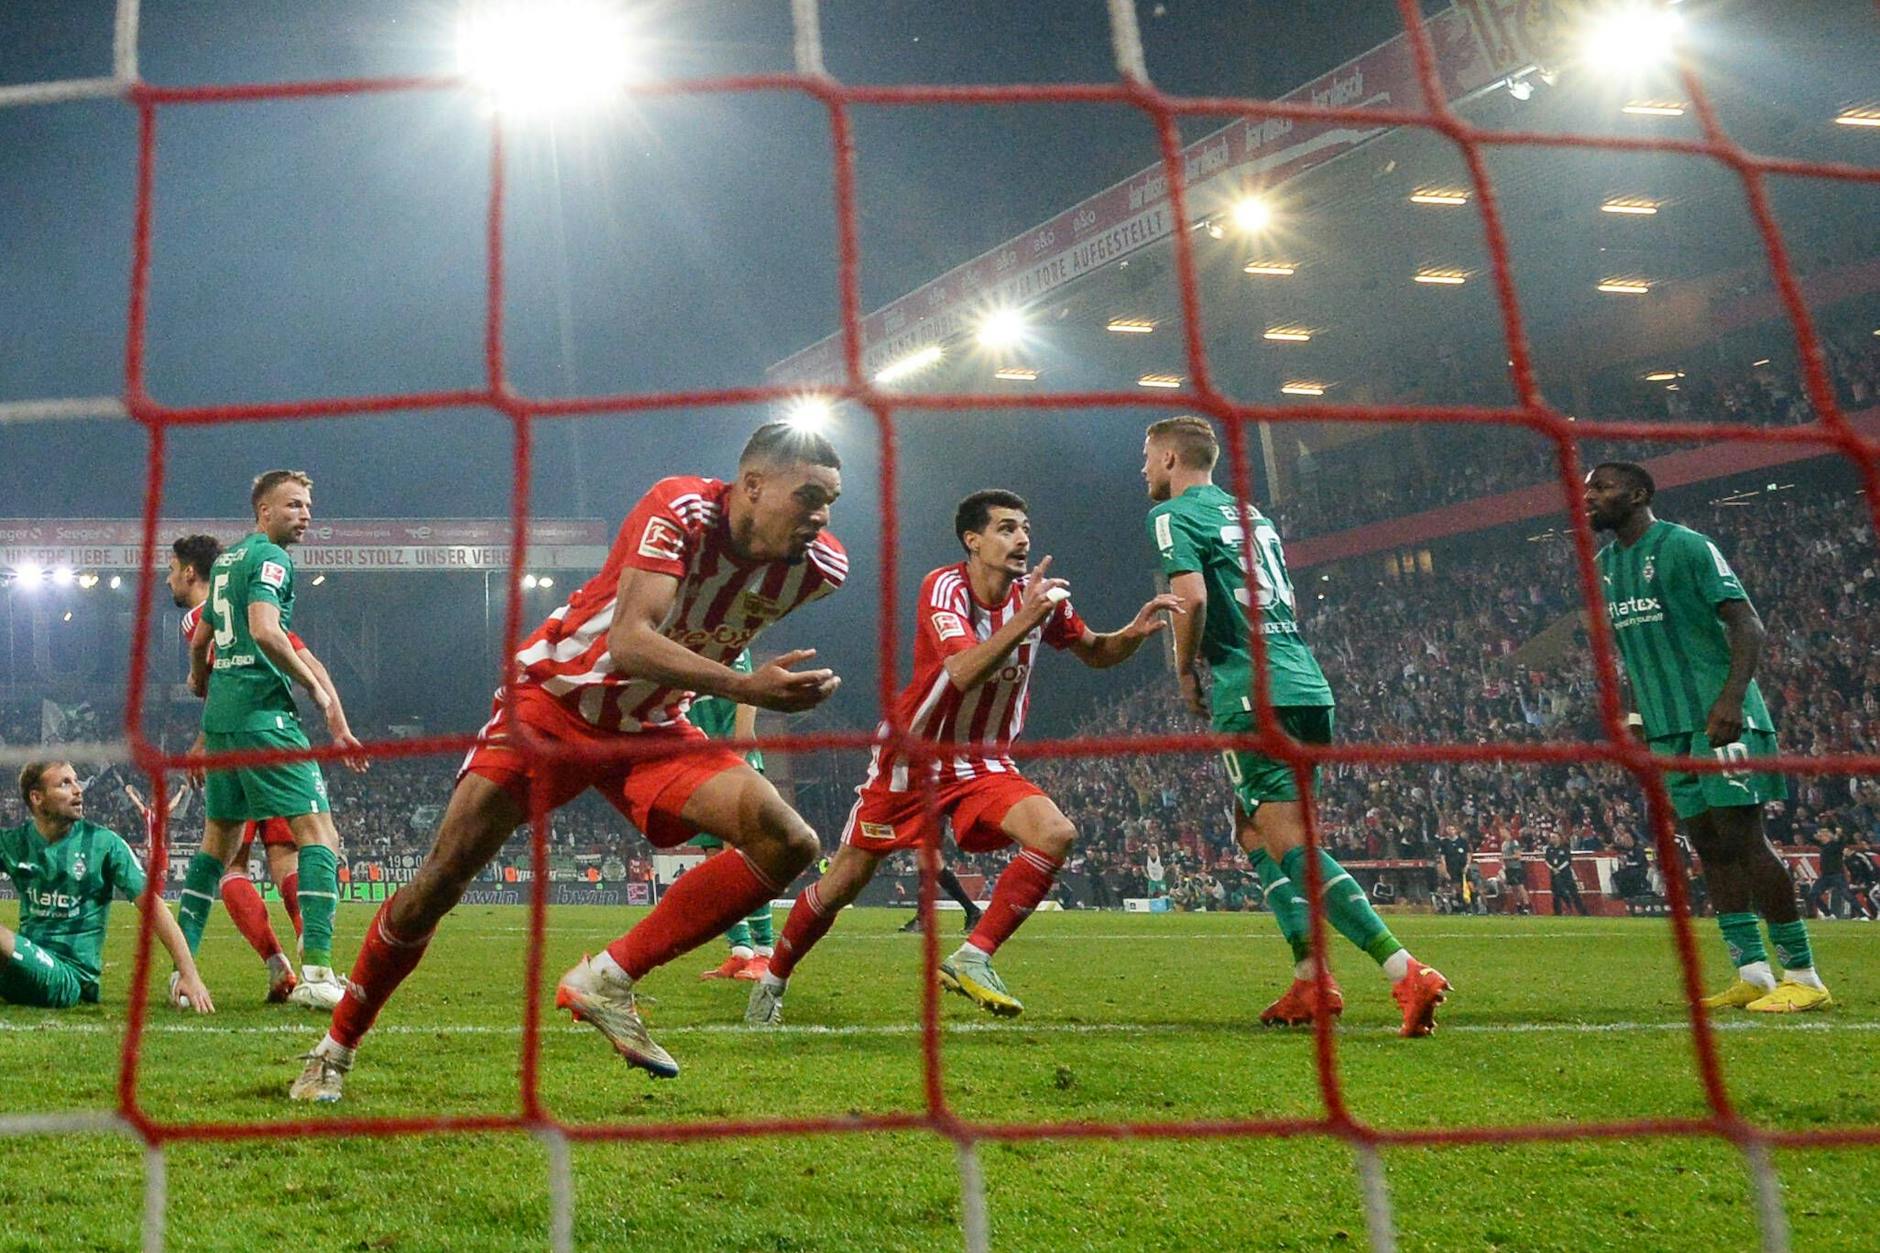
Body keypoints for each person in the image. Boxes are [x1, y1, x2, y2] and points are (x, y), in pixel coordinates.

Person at [292, 423, 847, 1101]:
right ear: (753, 486)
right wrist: (745, 686)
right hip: (554, 704)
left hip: (649, 727)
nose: (821, 515)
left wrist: (778, 689)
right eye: (809, 496)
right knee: (439, 880)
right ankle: (334, 1049)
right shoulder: (680, 508)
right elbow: (631, 642)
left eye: (832, 501)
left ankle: (608, 979)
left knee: (790, 841)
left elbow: (717, 624)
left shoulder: (820, 569)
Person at [746, 489, 1182, 1025]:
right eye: (1005, 528)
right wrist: (1024, 619)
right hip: (915, 758)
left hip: (985, 762)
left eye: (1024, 527)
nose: (1021, 537)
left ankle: (973, 956)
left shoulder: (1040, 599)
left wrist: (1131, 635)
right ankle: (772, 980)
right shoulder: (945, 586)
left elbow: (1095, 651)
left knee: (1056, 833)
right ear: (972, 541)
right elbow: (960, 671)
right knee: (843, 883)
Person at [1142, 416, 1450, 1037]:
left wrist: (1182, 673)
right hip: (1304, 681)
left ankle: (1403, 969)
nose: (1143, 469)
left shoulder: (1172, 515)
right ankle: (1312, 978)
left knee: (1290, 843)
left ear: (1172, 458)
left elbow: (1194, 599)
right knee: (1252, 828)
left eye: (1147, 457)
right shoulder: (1254, 514)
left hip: (1251, 689)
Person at [1586, 462, 1831, 1012]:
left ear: (1639, 493)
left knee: (1745, 840)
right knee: (1710, 847)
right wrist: (1633, 715)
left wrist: (1730, 700)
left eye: (1602, 488)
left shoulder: (1689, 546)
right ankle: (1753, 972)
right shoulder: (1604, 566)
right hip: (1666, 726)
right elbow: (1633, 649)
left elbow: (1748, 625)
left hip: (1720, 716)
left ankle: (1804, 976)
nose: (1590, 498)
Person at [180, 481, 366, 1015]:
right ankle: (317, 973)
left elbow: (200, 642)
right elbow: (265, 630)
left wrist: (198, 683)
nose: (305, 514)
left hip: (222, 725)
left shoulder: (228, 560)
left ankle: (183, 973)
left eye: (308, 505)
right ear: (264, 511)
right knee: (318, 838)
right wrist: (314, 689)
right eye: (293, 505)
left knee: (218, 849)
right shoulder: (272, 561)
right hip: (267, 722)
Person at [169, 532, 331, 1005]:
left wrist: (204, 737)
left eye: (171, 570)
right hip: (266, 732)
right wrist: (329, 707)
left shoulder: (203, 615)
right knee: (290, 854)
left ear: (191, 572)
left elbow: (215, 674)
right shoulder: (242, 597)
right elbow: (292, 650)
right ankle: (315, 963)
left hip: (229, 736)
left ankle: (270, 962)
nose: (168, 578)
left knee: (226, 857)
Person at [2, 761, 213, 1012]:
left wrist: (188, 974)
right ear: (37, 797)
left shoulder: (104, 844)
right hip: (24, 965)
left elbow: (154, 908)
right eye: (64, 783)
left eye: (76, 780)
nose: (78, 789)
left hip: (71, 977)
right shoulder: (13, 842)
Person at [690, 649, 776, 982]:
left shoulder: (730, 638)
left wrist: (739, 747)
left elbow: (748, 693)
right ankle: (740, 951)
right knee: (716, 860)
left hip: (734, 758)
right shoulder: (686, 647)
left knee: (739, 856)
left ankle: (764, 953)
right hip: (703, 764)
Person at [1807, 825, 1850, 921]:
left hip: (1836, 874)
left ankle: (1862, 914)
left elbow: (1843, 841)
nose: (1820, 837)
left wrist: (1840, 834)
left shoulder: (1835, 844)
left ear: (1827, 836)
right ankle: (1828, 914)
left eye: (1822, 835)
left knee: (1846, 894)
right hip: (1825, 875)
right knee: (1813, 894)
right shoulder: (1823, 846)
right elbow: (1810, 838)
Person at [1544, 831, 1588, 916]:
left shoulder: (1565, 848)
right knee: (1555, 894)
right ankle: (1557, 912)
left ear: (1559, 838)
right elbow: (1546, 860)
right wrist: (1553, 868)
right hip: (1554, 875)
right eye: (1551, 837)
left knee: (1574, 893)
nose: (1552, 839)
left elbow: (1568, 861)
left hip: (1565, 874)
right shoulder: (1549, 849)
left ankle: (1582, 912)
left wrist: (1559, 869)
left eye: (1554, 837)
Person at [1499, 832, 1532, 915]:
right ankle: (1519, 907)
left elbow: (1518, 855)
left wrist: (1505, 858)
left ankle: (1527, 906)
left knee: (1520, 887)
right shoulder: (1504, 844)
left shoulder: (1514, 842)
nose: (1501, 833)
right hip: (1508, 868)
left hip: (1516, 868)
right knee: (1514, 888)